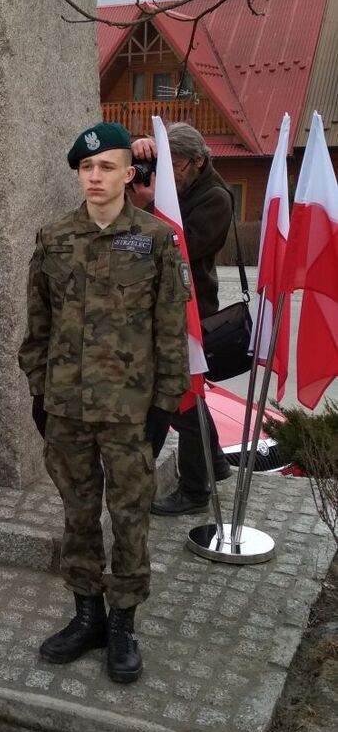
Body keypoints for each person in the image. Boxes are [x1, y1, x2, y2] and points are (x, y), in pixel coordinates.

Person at [19, 121, 190, 683]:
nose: (95, 176)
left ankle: (123, 624)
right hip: (66, 407)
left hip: (130, 411)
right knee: (78, 514)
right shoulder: (53, 238)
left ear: (128, 174)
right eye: (87, 167)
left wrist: (165, 404)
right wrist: (38, 389)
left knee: (130, 516)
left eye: (107, 167)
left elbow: (170, 328)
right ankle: (86, 615)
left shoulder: (156, 240)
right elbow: (38, 323)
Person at [130, 123, 234, 515]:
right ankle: (215, 464)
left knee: (182, 400)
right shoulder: (178, 180)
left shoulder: (215, 198)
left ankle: (194, 492)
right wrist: (136, 143)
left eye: (175, 165)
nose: (168, 172)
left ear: (198, 162)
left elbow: (177, 248)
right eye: (164, 162)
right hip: (160, 305)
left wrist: (148, 206)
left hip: (190, 310)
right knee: (187, 398)